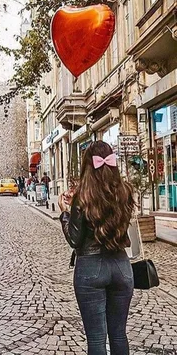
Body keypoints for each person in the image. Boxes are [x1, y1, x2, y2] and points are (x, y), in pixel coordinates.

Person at [58, 141, 135, 355]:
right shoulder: (125, 191)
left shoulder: (83, 196)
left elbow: (75, 239)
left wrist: (65, 212)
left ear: (87, 166)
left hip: (90, 269)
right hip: (121, 266)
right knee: (119, 335)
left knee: (96, 340)